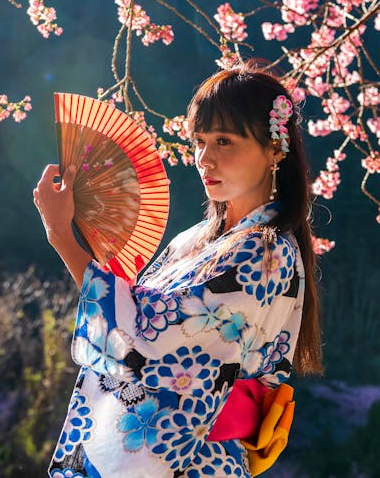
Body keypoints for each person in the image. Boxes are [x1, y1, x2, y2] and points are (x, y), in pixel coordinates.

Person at [33, 65, 322, 477]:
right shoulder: (192, 242)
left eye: (225, 141)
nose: (205, 158)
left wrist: (62, 237)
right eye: (200, 142)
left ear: (275, 148)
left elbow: (149, 339)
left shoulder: (266, 251)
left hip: (198, 459)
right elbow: (137, 317)